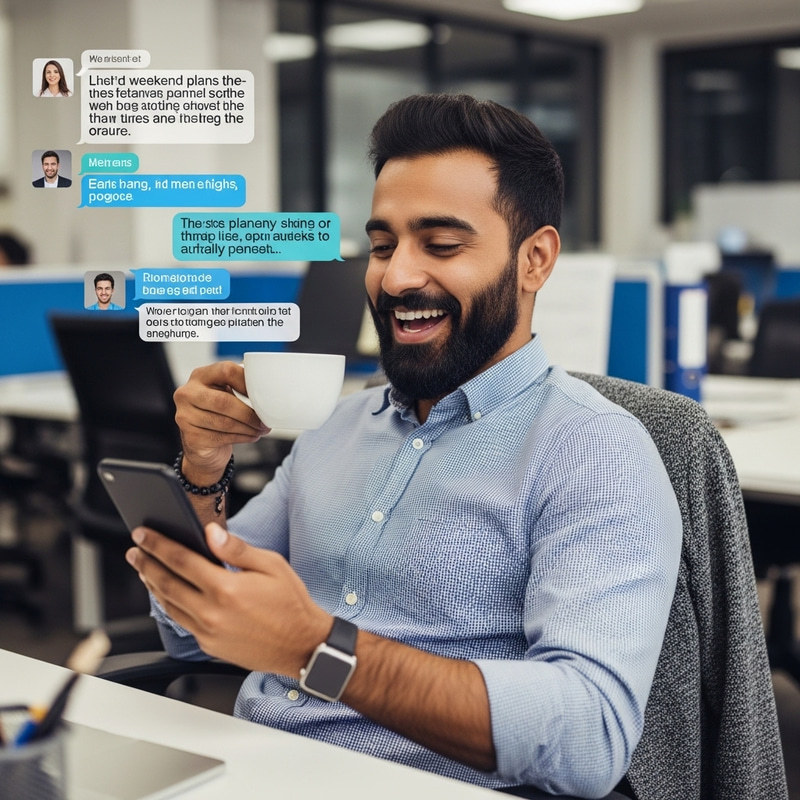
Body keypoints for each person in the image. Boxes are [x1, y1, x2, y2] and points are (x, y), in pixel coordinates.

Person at [126, 94, 682, 799]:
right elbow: (192, 630)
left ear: (534, 259)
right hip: (253, 773)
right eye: (383, 246)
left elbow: (589, 737)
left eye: (441, 245)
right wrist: (203, 472)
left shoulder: (594, 451)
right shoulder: (335, 426)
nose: (395, 278)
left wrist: (313, 651)